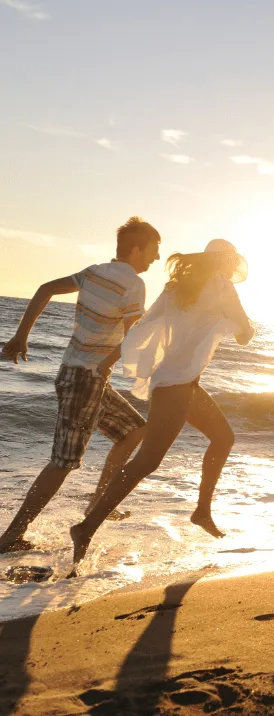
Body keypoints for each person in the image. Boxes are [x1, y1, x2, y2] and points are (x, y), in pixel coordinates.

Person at [70, 239, 255, 568]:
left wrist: (110, 360)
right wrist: (239, 328)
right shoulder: (221, 286)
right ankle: (87, 527)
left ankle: (202, 511)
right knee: (146, 462)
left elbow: (142, 327)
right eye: (230, 262)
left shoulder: (177, 287)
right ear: (225, 262)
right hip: (177, 387)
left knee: (223, 438)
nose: (231, 269)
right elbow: (245, 332)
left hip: (178, 383)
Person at [0, 217, 161, 554]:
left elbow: (45, 289)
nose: (156, 257)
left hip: (80, 375)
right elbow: (134, 336)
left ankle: (98, 504)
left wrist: (22, 335)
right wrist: (110, 362)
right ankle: (11, 536)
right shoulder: (133, 283)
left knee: (134, 431)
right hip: (86, 378)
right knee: (63, 461)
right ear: (136, 249)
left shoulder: (94, 272)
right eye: (153, 249)